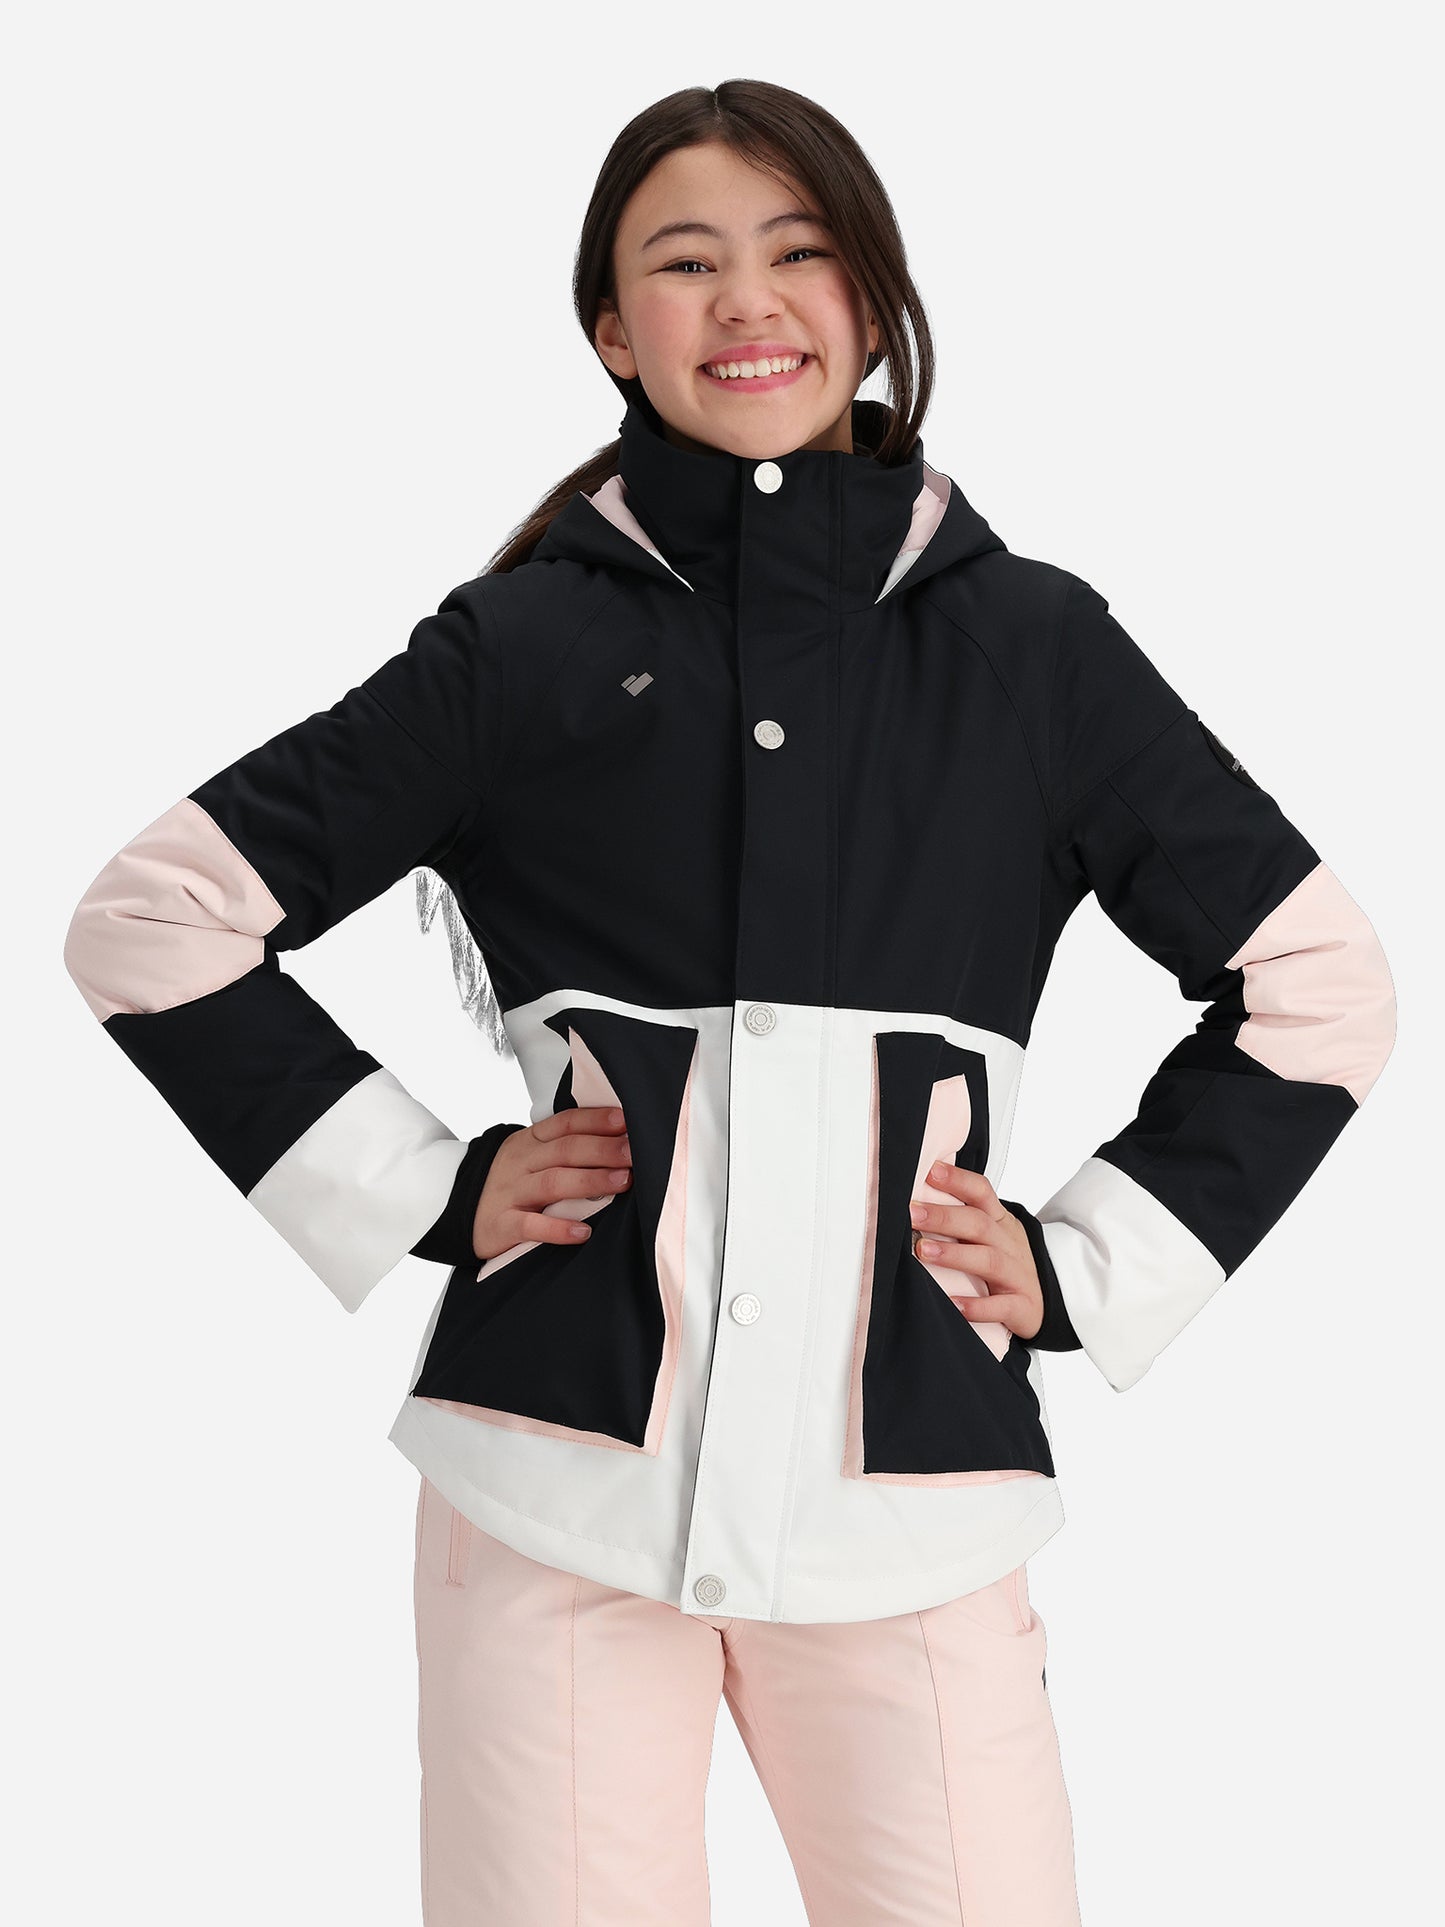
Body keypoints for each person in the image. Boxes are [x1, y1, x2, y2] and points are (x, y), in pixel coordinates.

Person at [62, 77, 1397, 1927]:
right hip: (550, 1494)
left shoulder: (1030, 649)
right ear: (613, 328)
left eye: (797, 250)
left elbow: (1313, 983)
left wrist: (1088, 1269)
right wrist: (433, 1191)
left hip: (912, 1502)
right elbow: (155, 921)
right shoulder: (520, 647)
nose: (746, 301)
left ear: (871, 302)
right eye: (684, 263)